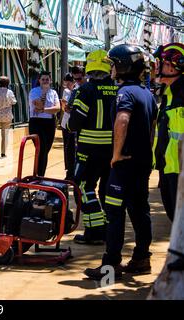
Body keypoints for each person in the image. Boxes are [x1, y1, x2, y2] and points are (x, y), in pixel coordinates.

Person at [84, 44, 157, 280]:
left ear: (123, 66)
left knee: (114, 213)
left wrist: (115, 155)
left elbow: (122, 120)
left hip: (124, 165)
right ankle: (141, 258)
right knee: (139, 210)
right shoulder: (147, 94)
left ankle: (111, 265)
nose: (111, 68)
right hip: (143, 164)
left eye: (114, 63)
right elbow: (152, 127)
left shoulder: (124, 93)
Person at [66, 50, 118, 245]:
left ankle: (95, 231)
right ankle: (107, 230)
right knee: (106, 190)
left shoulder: (85, 90)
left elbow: (75, 122)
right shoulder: (116, 89)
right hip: (113, 150)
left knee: (82, 186)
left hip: (89, 149)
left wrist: (70, 124)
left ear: (89, 67)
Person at [152, 42, 184, 221]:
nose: (157, 68)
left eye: (161, 63)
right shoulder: (169, 94)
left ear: (174, 67)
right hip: (170, 168)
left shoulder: (181, 95)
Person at [28, 71, 60, 176]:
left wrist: (44, 110)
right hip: (36, 123)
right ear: (39, 80)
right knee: (41, 149)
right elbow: (38, 105)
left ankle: (40, 174)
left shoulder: (54, 92)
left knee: (46, 150)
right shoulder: (34, 91)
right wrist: (44, 93)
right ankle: (39, 175)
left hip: (49, 123)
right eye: (43, 79)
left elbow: (57, 108)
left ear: (50, 80)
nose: (45, 81)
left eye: (47, 79)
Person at [0, 76, 17, 158]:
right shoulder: (10, 92)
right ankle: (3, 153)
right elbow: (14, 102)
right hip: (7, 116)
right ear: (7, 84)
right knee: (5, 135)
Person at [60, 73, 75, 180]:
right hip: (67, 123)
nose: (66, 84)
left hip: (74, 123)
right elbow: (65, 108)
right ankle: (69, 170)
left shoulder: (77, 89)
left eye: (68, 81)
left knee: (72, 148)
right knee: (68, 147)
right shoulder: (66, 92)